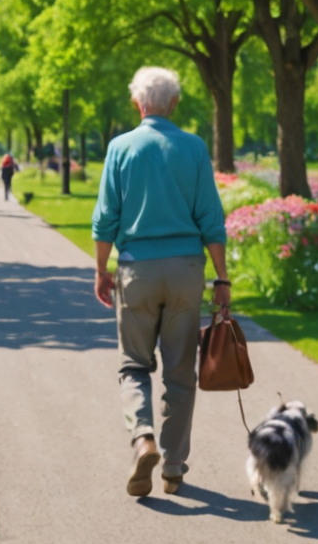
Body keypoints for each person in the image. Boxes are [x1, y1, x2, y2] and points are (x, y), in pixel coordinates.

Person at [90, 66, 229, 498]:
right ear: (174, 104)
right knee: (180, 373)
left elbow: (105, 217)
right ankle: (172, 467)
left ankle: (143, 437)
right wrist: (222, 278)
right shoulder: (193, 148)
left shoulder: (120, 148)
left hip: (137, 270)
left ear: (138, 103)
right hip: (187, 271)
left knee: (134, 364)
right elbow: (211, 217)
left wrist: (101, 270)